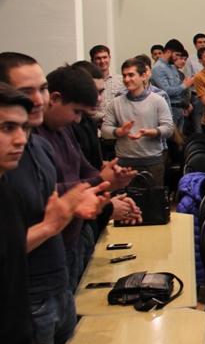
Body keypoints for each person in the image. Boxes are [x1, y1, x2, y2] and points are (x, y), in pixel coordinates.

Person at [2, 53, 107, 344]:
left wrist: (76, 207)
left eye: (43, 89)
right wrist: (52, 225)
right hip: (30, 298)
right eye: (26, 92)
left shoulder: (39, 145)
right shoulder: (7, 162)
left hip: (58, 284)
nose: (39, 100)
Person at [38, 66, 135, 291]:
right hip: (52, 244)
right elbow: (46, 191)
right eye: (76, 111)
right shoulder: (35, 136)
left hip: (76, 233)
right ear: (55, 99)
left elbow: (85, 168)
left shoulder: (65, 128)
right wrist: (100, 182)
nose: (77, 119)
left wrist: (109, 181)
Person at [0, 83, 52, 344]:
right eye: (7, 128)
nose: (20, 139)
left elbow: (15, 290)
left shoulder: (9, 196)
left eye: (23, 128)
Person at [101, 57, 174, 188]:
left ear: (143, 76)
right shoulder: (116, 102)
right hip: (124, 162)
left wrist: (148, 132)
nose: (127, 79)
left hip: (151, 161)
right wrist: (120, 131)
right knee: (125, 199)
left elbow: (168, 129)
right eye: (124, 75)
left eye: (131, 75)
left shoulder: (158, 100)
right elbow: (105, 130)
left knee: (152, 199)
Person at [150, 39, 195, 134]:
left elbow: (178, 87)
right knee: (171, 140)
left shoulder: (173, 67)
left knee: (180, 139)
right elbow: (166, 91)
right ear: (168, 52)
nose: (178, 58)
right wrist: (185, 85)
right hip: (168, 109)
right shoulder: (158, 68)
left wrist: (185, 104)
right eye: (177, 55)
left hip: (179, 108)